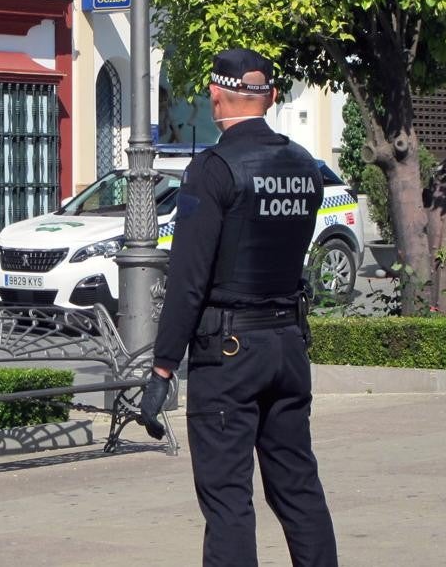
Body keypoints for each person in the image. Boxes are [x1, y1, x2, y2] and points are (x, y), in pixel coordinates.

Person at [139, 48, 339, 566]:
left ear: (214, 94)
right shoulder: (306, 167)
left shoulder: (212, 169)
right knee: (297, 487)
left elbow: (188, 278)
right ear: (271, 97)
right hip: (288, 346)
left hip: (229, 352)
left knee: (227, 497)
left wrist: (162, 365)